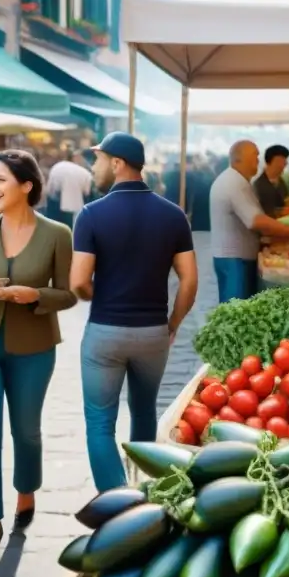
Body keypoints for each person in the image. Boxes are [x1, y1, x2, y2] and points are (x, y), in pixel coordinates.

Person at [0, 150, 77, 560]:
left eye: (0, 180)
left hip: (34, 348)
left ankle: (26, 490)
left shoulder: (57, 234)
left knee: (26, 431)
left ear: (26, 186)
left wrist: (35, 295)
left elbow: (69, 294)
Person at [70, 132, 198, 491]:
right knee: (144, 412)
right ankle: (145, 492)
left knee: (99, 424)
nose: (93, 168)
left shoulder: (91, 215)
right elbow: (189, 281)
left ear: (116, 163)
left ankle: (116, 505)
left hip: (105, 333)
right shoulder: (173, 216)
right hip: (153, 333)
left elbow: (78, 281)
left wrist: (103, 294)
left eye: (97, 160)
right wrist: (172, 323)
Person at [209, 140, 289, 303]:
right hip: (235, 260)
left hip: (233, 257)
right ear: (240, 159)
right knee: (236, 312)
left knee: (234, 309)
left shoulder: (236, 180)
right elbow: (255, 220)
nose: (258, 159)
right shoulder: (235, 183)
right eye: (254, 155)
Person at [45, 152, 93, 227]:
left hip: (56, 201)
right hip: (74, 206)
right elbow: (88, 193)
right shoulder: (85, 172)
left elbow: (50, 190)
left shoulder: (58, 166)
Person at [253, 144, 289, 215]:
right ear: (269, 162)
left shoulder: (281, 181)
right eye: (280, 161)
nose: (284, 165)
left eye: (285, 161)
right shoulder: (258, 185)